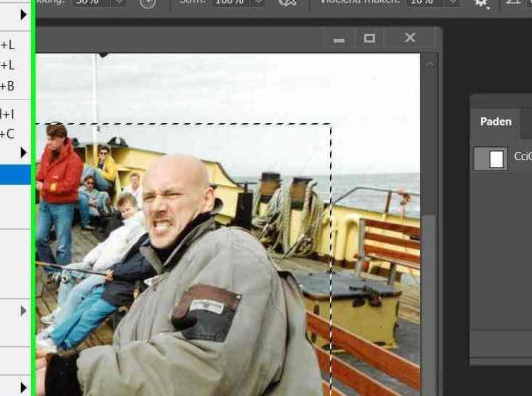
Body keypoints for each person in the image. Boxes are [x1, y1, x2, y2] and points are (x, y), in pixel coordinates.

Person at [37, 154, 321, 396]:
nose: (157, 206)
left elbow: (207, 368)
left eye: (171, 194)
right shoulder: (173, 266)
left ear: (206, 200)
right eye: (149, 197)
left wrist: (69, 375)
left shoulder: (232, 253)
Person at [38, 233, 154, 352]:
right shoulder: (146, 236)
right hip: (115, 279)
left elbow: (144, 268)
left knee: (91, 316)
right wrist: (112, 269)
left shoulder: (160, 248)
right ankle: (54, 339)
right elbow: (125, 259)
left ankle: (63, 347)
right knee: (82, 309)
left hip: (129, 288)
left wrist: (116, 271)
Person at [42, 193, 144, 327]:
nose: (125, 214)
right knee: (68, 270)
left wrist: (104, 268)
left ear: (136, 207)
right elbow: (103, 246)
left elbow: (122, 256)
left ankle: (58, 325)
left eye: (128, 209)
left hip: (108, 272)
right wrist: (88, 261)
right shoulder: (123, 228)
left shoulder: (138, 229)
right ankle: (60, 311)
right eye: (123, 211)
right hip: (96, 266)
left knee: (78, 291)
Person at [36, 124, 83, 271]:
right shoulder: (47, 151)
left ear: (62, 138)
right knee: (39, 238)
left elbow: (69, 186)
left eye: (52, 139)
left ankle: (63, 277)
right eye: (48, 139)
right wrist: (38, 180)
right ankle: (52, 270)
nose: (49, 142)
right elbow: (42, 173)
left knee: (63, 245)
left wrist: (45, 186)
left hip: (63, 206)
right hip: (45, 203)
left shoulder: (75, 160)